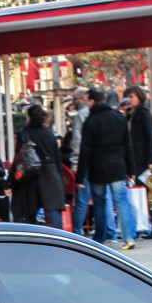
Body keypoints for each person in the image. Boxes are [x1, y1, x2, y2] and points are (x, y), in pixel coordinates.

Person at [77, 88, 136, 249]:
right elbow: (127, 145)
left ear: (92, 101)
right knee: (121, 201)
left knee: (99, 202)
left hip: (98, 168)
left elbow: (85, 149)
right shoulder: (119, 117)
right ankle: (129, 237)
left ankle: (100, 238)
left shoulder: (91, 121)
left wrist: (80, 175)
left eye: (87, 100)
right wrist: (131, 169)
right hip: (118, 167)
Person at [8, 107, 63, 228]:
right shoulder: (50, 133)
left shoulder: (24, 134)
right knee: (54, 210)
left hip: (30, 176)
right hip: (51, 174)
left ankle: (33, 240)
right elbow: (57, 157)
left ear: (28, 117)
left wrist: (9, 182)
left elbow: (18, 159)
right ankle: (60, 239)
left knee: (29, 212)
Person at [121, 85, 152, 237]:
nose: (129, 100)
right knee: (138, 194)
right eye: (128, 97)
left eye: (132, 97)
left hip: (144, 160)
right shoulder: (130, 115)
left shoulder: (144, 114)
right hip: (134, 159)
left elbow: (150, 137)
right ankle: (142, 226)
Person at [66, 87, 92, 234]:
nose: (73, 102)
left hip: (85, 161)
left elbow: (78, 141)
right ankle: (110, 231)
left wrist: (75, 162)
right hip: (99, 162)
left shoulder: (81, 115)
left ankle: (77, 231)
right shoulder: (96, 114)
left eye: (74, 99)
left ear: (83, 98)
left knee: (82, 198)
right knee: (104, 198)